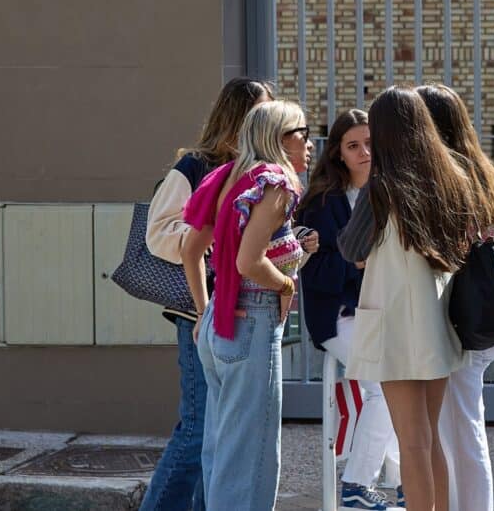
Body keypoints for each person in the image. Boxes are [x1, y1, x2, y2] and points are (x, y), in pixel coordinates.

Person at [338, 85, 478, 511]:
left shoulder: (380, 187)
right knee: (430, 439)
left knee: (412, 443)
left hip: (394, 324)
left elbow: (351, 249)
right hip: (437, 321)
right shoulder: (453, 178)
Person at [139, 77, 273, 511]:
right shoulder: (195, 166)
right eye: (261, 113)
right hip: (198, 312)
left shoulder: (257, 170)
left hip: (238, 308)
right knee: (199, 427)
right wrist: (214, 238)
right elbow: (158, 233)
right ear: (240, 116)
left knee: (220, 430)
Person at [181, 100, 316, 511]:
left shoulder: (228, 176)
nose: (309, 144)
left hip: (219, 321)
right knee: (251, 453)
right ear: (279, 138)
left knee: (223, 449)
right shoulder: (275, 183)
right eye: (302, 134)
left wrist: (204, 309)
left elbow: (190, 249)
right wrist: (285, 287)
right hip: (251, 320)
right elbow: (248, 262)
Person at [296, 108, 402, 510]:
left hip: (382, 314)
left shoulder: (390, 193)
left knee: (406, 383)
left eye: (371, 144)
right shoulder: (323, 202)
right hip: (338, 317)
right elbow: (314, 272)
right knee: (384, 383)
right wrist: (354, 263)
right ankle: (357, 484)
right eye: (353, 145)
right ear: (338, 153)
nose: (364, 152)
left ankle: (403, 482)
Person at [415, 84, 494, 511]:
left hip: (464, 321)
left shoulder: (450, 178)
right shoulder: (482, 170)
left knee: (461, 427)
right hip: (489, 315)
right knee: (459, 425)